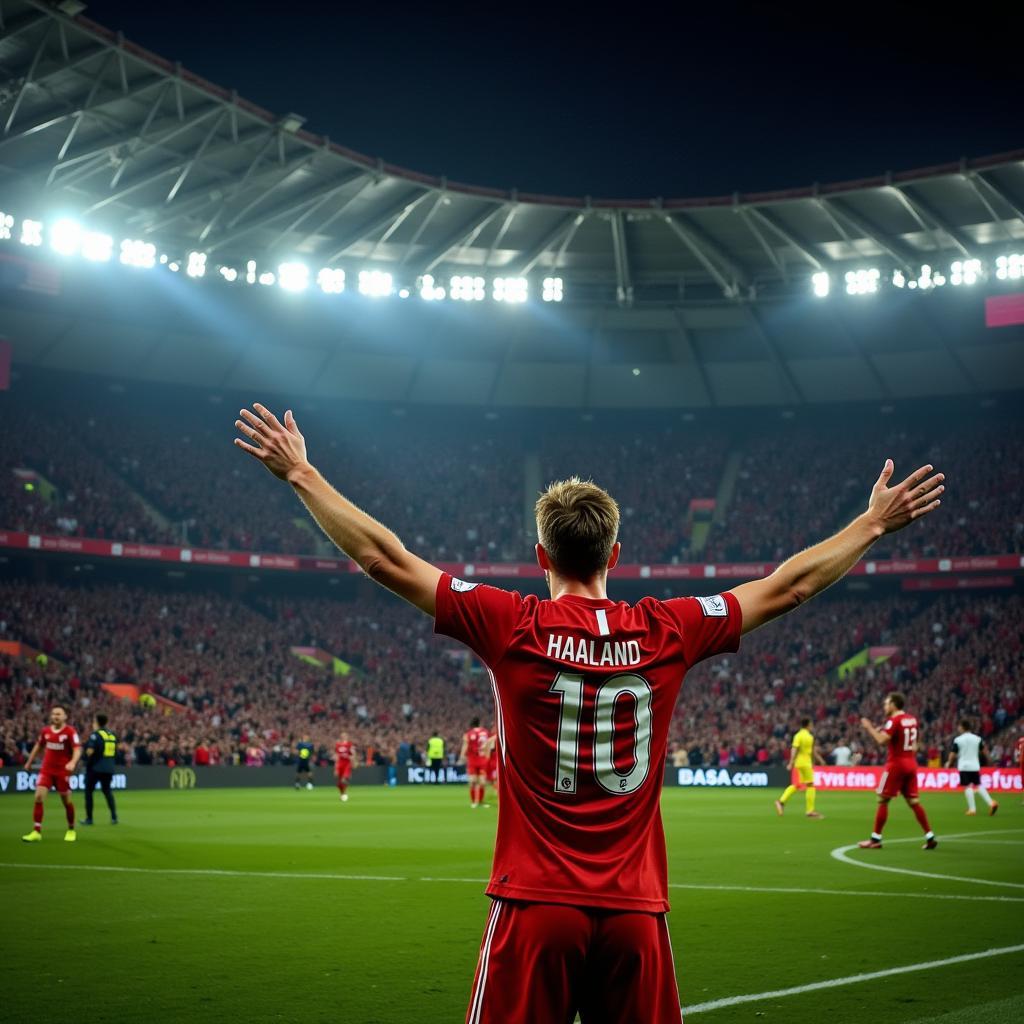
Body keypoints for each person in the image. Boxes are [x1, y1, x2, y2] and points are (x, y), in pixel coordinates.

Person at [233, 401, 943, 1023]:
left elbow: (385, 558)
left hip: (535, 906)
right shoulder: (668, 627)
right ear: (615, 552)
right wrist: (872, 523)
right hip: (637, 915)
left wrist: (301, 473)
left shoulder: (510, 623)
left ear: (541, 553)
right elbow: (787, 587)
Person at [858, 692, 938, 850]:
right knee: (914, 802)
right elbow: (914, 744)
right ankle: (930, 836)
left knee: (882, 800)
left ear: (894, 704)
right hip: (911, 763)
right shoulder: (912, 719)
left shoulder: (893, 720)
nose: (884, 707)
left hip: (895, 764)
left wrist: (869, 728)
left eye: (886, 704)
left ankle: (875, 839)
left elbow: (881, 741)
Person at [21, 705, 81, 843]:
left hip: (62, 771)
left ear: (65, 716)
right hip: (47, 770)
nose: (55, 716)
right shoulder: (45, 731)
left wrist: (72, 762)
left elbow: (77, 749)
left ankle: (71, 829)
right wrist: (29, 762)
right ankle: (36, 831)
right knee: (38, 797)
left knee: (66, 801)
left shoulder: (70, 732)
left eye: (59, 714)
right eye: (54, 714)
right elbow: (38, 746)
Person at [774, 717, 826, 818]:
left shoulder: (798, 736)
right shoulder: (809, 737)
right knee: (810, 785)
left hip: (799, 763)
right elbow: (811, 751)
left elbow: (794, 749)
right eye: (811, 724)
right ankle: (810, 811)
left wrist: (791, 762)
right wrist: (820, 760)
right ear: (808, 725)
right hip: (806, 763)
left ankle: (781, 802)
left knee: (797, 784)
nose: (812, 726)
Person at [945, 719, 998, 817]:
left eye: (959, 726)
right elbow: (985, 752)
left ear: (962, 727)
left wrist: (949, 763)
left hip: (964, 766)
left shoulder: (958, 740)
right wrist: (990, 761)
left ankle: (972, 809)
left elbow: (953, 754)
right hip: (975, 766)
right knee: (978, 784)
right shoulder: (977, 738)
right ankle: (991, 803)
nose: (958, 728)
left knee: (967, 786)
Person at [82, 713, 119, 826]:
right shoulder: (112, 735)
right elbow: (116, 752)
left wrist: (84, 758)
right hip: (109, 768)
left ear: (97, 722)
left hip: (96, 768)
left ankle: (89, 819)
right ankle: (114, 817)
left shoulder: (95, 735)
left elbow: (90, 751)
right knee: (107, 791)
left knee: (89, 792)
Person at [460, 717, 491, 808]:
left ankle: (474, 802)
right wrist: (487, 755)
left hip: (472, 760)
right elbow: (488, 745)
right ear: (479, 723)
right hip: (482, 760)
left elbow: (465, 745)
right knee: (482, 782)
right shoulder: (485, 732)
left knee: (473, 781)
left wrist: (462, 756)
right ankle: (480, 802)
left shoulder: (468, 734)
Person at [334, 731, 356, 802]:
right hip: (340, 764)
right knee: (339, 784)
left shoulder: (349, 744)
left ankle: (345, 793)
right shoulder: (338, 745)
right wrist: (336, 768)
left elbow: (352, 754)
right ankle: (342, 794)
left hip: (347, 764)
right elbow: (337, 756)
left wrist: (353, 762)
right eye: (342, 736)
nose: (343, 737)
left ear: (347, 736)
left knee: (343, 780)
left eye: (344, 735)